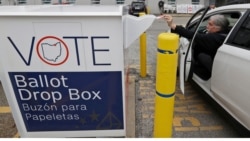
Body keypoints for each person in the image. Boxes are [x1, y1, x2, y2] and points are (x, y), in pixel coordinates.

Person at [162, 14, 230, 78]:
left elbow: (194, 36)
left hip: (215, 68)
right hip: (220, 64)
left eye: (210, 24)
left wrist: (172, 25)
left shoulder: (216, 38)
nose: (207, 26)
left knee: (201, 56)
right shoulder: (226, 34)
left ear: (218, 27)